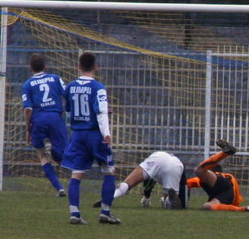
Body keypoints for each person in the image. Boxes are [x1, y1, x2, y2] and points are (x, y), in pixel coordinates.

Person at [60, 52, 120, 225]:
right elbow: (101, 111)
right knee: (108, 170)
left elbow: (69, 112)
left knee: (76, 174)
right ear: (95, 67)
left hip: (78, 134)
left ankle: (74, 213)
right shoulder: (98, 87)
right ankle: (105, 212)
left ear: (78, 67)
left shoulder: (69, 87)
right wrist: (106, 133)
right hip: (95, 134)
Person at [21, 53, 68, 197]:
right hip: (55, 118)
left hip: (38, 120)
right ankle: (53, 149)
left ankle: (59, 188)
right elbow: (66, 94)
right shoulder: (55, 78)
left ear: (31, 68)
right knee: (62, 157)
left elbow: (28, 110)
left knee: (42, 155)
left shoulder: (27, 84)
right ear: (45, 66)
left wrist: (28, 129)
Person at [93, 151, 187, 209]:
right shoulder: (180, 167)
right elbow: (184, 191)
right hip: (174, 167)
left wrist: (147, 196)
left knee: (128, 183)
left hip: (159, 156)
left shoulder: (164, 156)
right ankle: (166, 200)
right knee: (171, 202)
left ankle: (109, 197)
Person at [186, 139, 249, 212]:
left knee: (199, 170)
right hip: (225, 195)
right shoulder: (224, 177)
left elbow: (186, 183)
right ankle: (245, 209)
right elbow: (187, 184)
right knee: (207, 206)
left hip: (227, 188)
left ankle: (226, 153)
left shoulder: (217, 177)